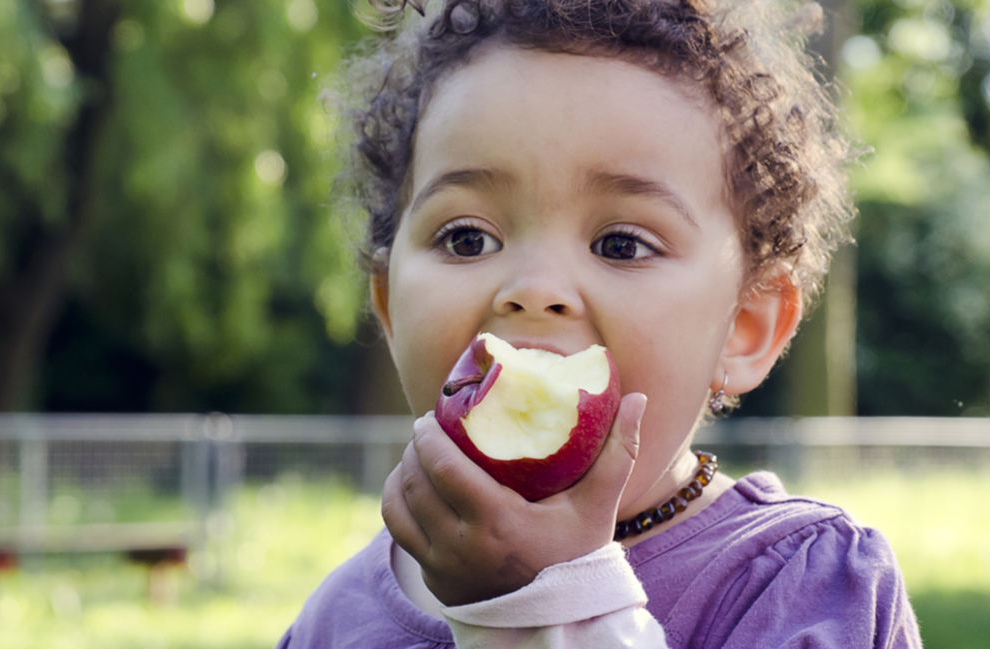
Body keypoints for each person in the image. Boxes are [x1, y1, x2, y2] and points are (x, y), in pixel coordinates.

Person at [278, 0, 922, 646]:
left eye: (621, 244)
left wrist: (547, 604)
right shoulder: (336, 619)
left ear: (744, 327)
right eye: (467, 238)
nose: (534, 290)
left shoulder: (803, 587)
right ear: (389, 307)